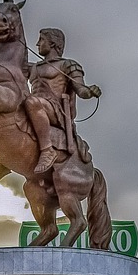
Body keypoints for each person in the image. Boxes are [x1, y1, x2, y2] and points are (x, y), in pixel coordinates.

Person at [23, 27, 101, 175]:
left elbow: (81, 90)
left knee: (32, 102)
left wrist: (90, 91)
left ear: (52, 43)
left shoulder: (68, 65)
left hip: (56, 111)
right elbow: (7, 64)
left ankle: (47, 151)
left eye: (41, 40)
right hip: (36, 108)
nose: (37, 43)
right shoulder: (33, 67)